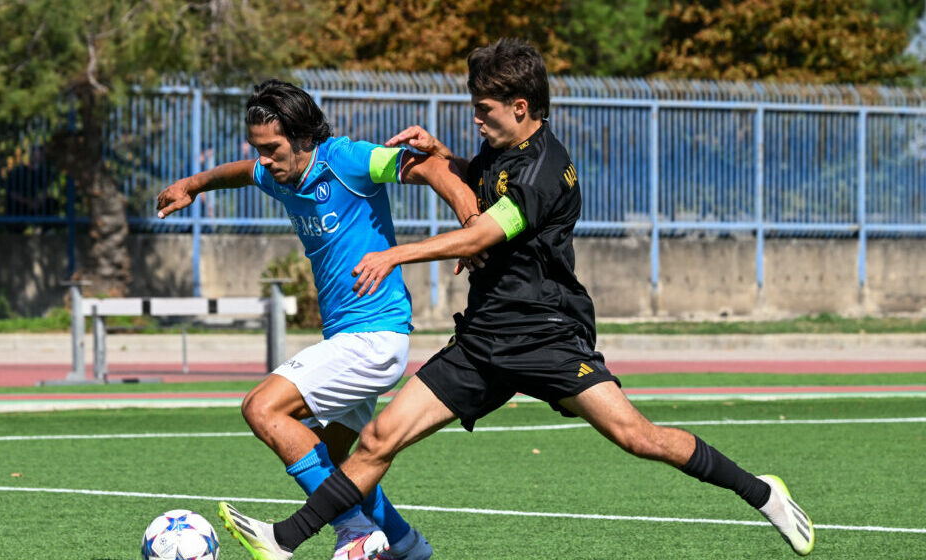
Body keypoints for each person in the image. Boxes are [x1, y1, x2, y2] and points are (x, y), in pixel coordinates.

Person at [216, 40, 815, 560]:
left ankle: (763, 493)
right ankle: (285, 540)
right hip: (482, 341)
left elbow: (484, 231)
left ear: (520, 107)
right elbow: (474, 183)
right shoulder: (502, 153)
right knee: (378, 441)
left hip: (545, 336)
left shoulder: (545, 169)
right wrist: (443, 153)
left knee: (639, 438)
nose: (477, 118)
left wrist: (395, 255)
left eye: (484, 110)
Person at [156, 79, 479, 560]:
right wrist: (192, 185)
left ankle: (354, 533)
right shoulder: (278, 173)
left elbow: (431, 166)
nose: (264, 159)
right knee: (336, 464)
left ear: (304, 138)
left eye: (272, 148)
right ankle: (406, 545)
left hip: (374, 337)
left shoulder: (348, 160)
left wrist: (473, 226)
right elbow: (242, 172)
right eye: (258, 148)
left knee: (262, 408)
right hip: (351, 337)